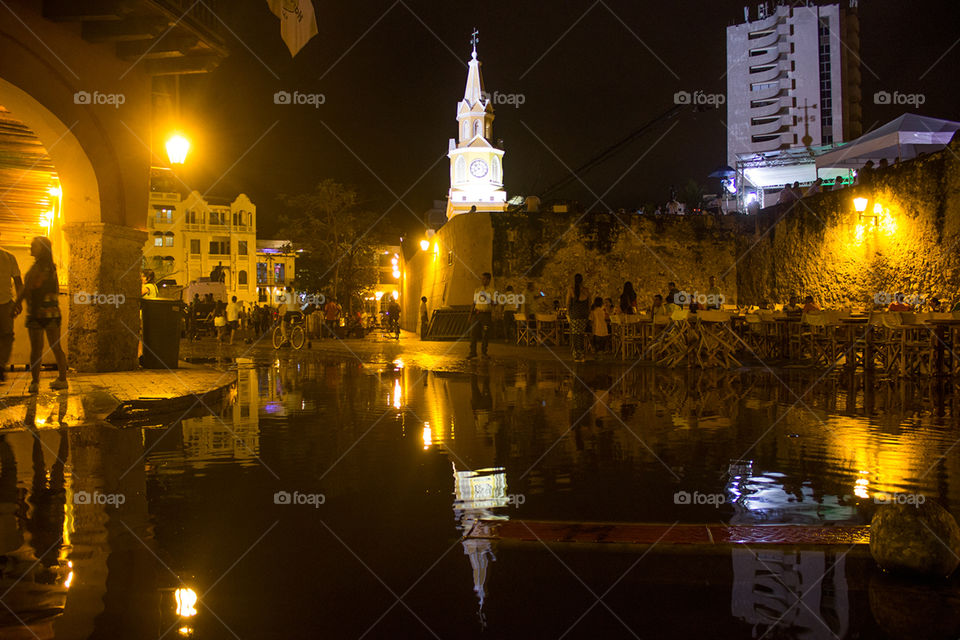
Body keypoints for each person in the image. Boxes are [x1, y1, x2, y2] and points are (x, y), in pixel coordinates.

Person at [13, 237, 66, 392]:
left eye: (33, 246)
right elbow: (55, 289)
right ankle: (63, 379)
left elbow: (27, 289)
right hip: (52, 312)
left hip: (36, 312)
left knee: (36, 349)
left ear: (42, 249)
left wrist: (16, 304)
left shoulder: (37, 268)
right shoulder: (52, 268)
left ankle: (35, 383)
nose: (30, 248)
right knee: (56, 346)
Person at [0, 240, 22, 382]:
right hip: (6, 303)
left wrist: (18, 302)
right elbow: (19, 282)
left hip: (6, 303)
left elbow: (19, 283)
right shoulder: (9, 256)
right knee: (7, 336)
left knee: (7, 336)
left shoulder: (9, 257)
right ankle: (1, 366)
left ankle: (1, 366)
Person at [566, 273, 591, 362]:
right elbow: (589, 304)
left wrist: (568, 314)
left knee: (575, 335)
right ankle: (582, 354)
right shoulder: (586, 291)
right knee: (581, 334)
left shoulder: (571, 290)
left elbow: (568, 303)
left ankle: (577, 355)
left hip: (575, 315)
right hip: (584, 315)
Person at [468, 272, 493, 358]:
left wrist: (487, 297)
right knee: (473, 333)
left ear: (489, 280)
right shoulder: (477, 290)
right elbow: (474, 303)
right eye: (482, 279)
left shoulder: (492, 291)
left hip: (486, 315)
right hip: (477, 314)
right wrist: (470, 315)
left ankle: (484, 352)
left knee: (485, 334)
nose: (483, 280)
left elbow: (495, 303)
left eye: (485, 279)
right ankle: (472, 352)